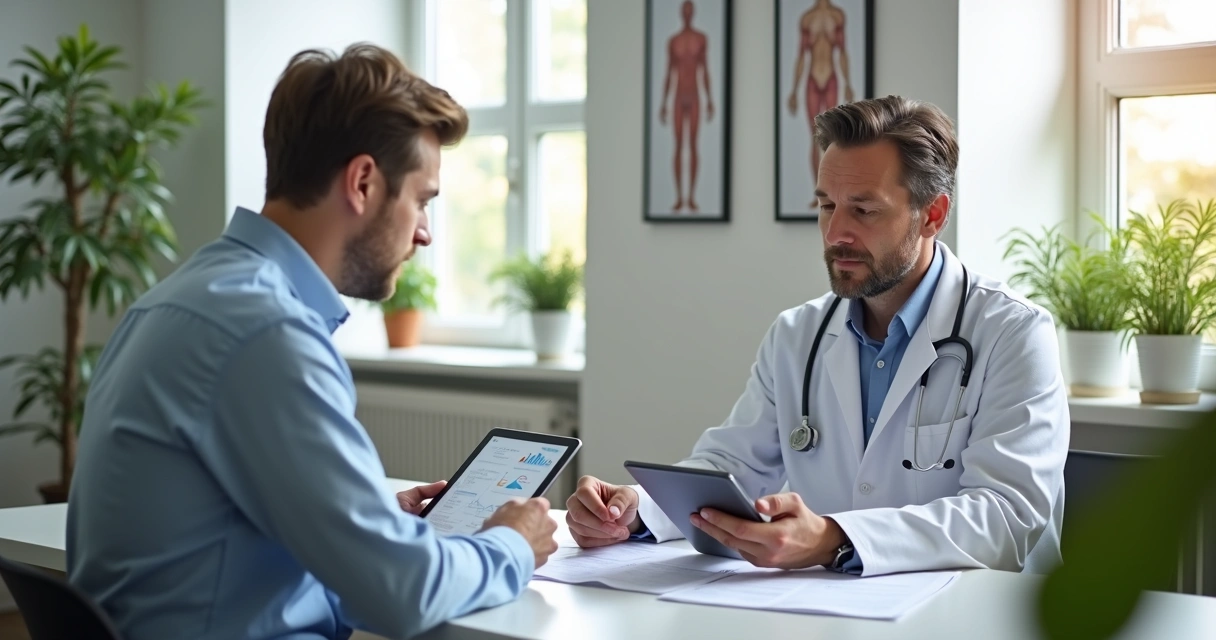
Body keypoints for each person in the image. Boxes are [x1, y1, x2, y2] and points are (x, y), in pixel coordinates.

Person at [66, 44, 558, 640]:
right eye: (423, 201)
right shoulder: (266, 332)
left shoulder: (178, 300)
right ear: (363, 182)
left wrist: (369, 524)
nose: (425, 233)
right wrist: (512, 543)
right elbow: (400, 594)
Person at [568, 95, 1070, 577]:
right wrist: (636, 510)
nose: (835, 234)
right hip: (837, 611)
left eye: (864, 210)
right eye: (827, 205)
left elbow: (1007, 516)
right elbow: (732, 466)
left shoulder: (1013, 332)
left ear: (932, 215)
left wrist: (834, 538)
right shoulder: (797, 335)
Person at [787, 0, 855, 209]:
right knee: (814, 138)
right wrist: (793, 90)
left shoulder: (837, 16)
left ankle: (832, 196)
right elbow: (800, 57)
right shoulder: (807, 18)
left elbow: (842, 52)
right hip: (812, 80)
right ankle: (820, 195)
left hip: (831, 79)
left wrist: (848, 83)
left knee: (832, 141)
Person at [658, 0, 714, 213]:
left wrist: (709, 100)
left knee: (693, 145)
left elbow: (705, 71)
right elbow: (668, 74)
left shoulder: (701, 39)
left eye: (690, 10)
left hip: (695, 96)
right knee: (678, 145)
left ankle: (691, 197)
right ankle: (679, 197)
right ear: (682, 13)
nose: (688, 13)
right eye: (685, 10)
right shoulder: (674, 41)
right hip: (678, 97)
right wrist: (663, 103)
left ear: (693, 13)